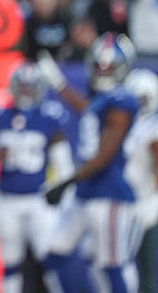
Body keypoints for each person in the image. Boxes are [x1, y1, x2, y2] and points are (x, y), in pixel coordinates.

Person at [37, 33, 142, 293]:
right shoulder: (102, 100)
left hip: (109, 195)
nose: (103, 71)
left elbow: (105, 154)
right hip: (86, 192)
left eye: (109, 66)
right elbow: (88, 109)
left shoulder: (122, 101)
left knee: (111, 266)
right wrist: (59, 84)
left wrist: (67, 182)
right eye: (99, 65)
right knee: (56, 253)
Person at [0, 62, 72, 293]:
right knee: (9, 262)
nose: (27, 91)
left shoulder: (50, 117)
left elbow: (64, 164)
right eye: (23, 86)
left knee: (50, 258)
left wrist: (63, 196)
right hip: (8, 198)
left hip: (38, 198)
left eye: (32, 86)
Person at [122, 68, 158, 292]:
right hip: (121, 202)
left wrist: (154, 200)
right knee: (119, 267)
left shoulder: (153, 126)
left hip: (146, 203)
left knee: (147, 270)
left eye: (143, 98)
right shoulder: (120, 121)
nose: (139, 103)